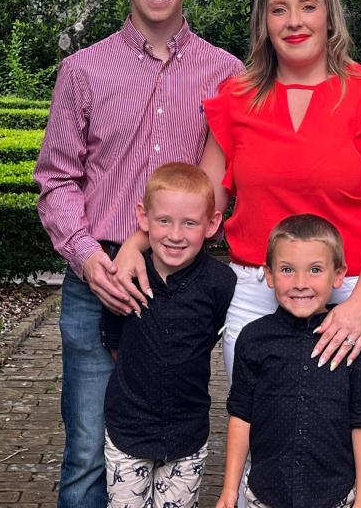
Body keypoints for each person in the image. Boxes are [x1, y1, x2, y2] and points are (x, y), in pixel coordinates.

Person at [115, 0, 361, 508]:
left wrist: (360, 306)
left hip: (355, 293)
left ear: (329, 18)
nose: (293, 21)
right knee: (262, 440)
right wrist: (137, 242)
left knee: (351, 443)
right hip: (257, 292)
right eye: (279, 9)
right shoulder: (236, 99)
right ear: (264, 22)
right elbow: (201, 204)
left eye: (307, 6)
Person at [33, 0, 243, 508]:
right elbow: (56, 178)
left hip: (177, 280)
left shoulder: (223, 75)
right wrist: (85, 258)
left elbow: (213, 186)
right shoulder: (83, 71)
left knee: (168, 446)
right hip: (95, 274)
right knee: (86, 453)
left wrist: (146, 243)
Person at [216, 214, 361, 508]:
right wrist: (230, 489)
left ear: (339, 274)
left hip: (333, 497)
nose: (301, 283)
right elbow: (241, 416)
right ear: (269, 274)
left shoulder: (356, 347)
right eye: (287, 270)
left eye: (315, 270)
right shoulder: (253, 340)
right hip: (266, 494)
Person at [100, 161, 235, 508]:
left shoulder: (221, 284)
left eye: (190, 223)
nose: (175, 235)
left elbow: (209, 336)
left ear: (211, 224)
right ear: (143, 219)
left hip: (187, 433)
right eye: (164, 221)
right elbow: (114, 339)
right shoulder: (126, 276)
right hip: (128, 430)